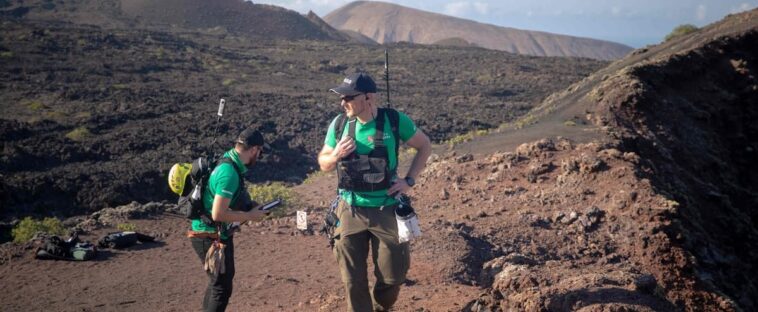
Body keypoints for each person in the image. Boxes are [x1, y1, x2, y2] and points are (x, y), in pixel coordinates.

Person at [318, 72, 432, 311]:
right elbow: (323, 163)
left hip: (387, 209)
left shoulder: (394, 120)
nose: (343, 102)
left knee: (393, 277)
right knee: (353, 281)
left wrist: (409, 180)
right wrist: (336, 154)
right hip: (349, 210)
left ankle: (380, 306)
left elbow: (424, 145)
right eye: (341, 97)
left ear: (369, 97)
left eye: (349, 97)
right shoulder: (339, 125)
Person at [187, 127, 270, 312]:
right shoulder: (229, 173)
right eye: (260, 152)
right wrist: (250, 216)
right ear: (255, 149)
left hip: (213, 232)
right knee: (221, 288)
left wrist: (251, 207)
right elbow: (218, 213)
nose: (259, 156)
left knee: (219, 283)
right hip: (208, 234)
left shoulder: (229, 161)